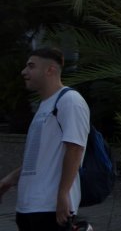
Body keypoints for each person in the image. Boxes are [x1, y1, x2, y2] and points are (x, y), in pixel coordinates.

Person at [0, 48, 90, 230]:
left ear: (50, 70)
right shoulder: (44, 106)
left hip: (51, 208)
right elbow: (41, 159)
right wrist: (9, 179)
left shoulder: (70, 100)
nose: (24, 72)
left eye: (31, 66)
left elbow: (75, 149)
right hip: (28, 207)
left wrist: (63, 194)